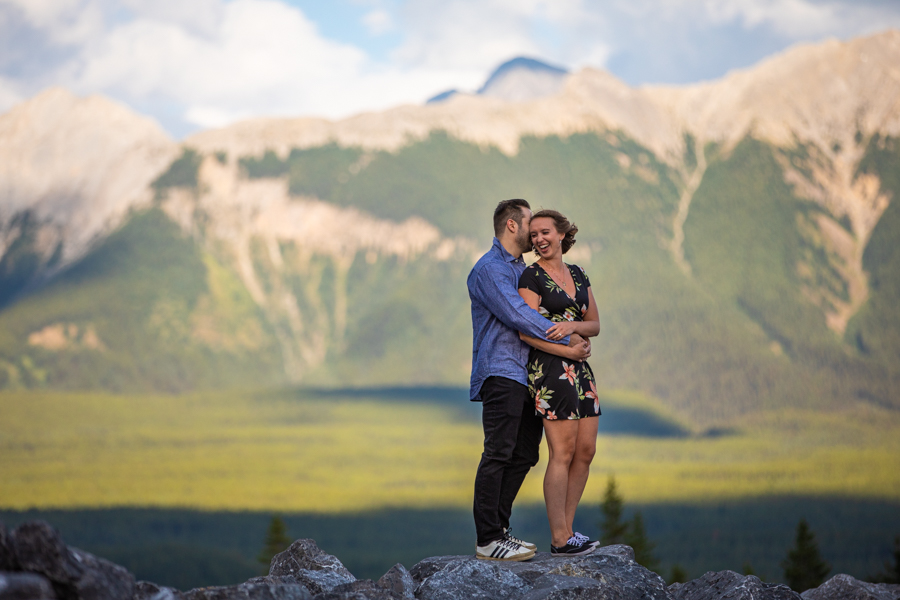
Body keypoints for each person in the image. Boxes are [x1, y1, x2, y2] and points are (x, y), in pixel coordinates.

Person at [468, 199, 592, 562]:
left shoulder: (519, 269)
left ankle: (500, 531)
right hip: (502, 371)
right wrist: (568, 338)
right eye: (529, 226)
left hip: (527, 376)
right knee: (498, 452)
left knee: (524, 454)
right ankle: (488, 538)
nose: (535, 234)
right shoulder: (490, 269)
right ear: (511, 226)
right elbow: (518, 315)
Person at [517, 209, 601, 557]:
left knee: (585, 451)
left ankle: (568, 532)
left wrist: (573, 330)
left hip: (580, 369)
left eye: (545, 232)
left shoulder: (579, 274)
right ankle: (559, 537)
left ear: (563, 234)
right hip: (551, 370)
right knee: (562, 453)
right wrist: (566, 347)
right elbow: (526, 331)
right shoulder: (530, 277)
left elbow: (594, 323)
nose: (538, 240)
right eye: (533, 235)